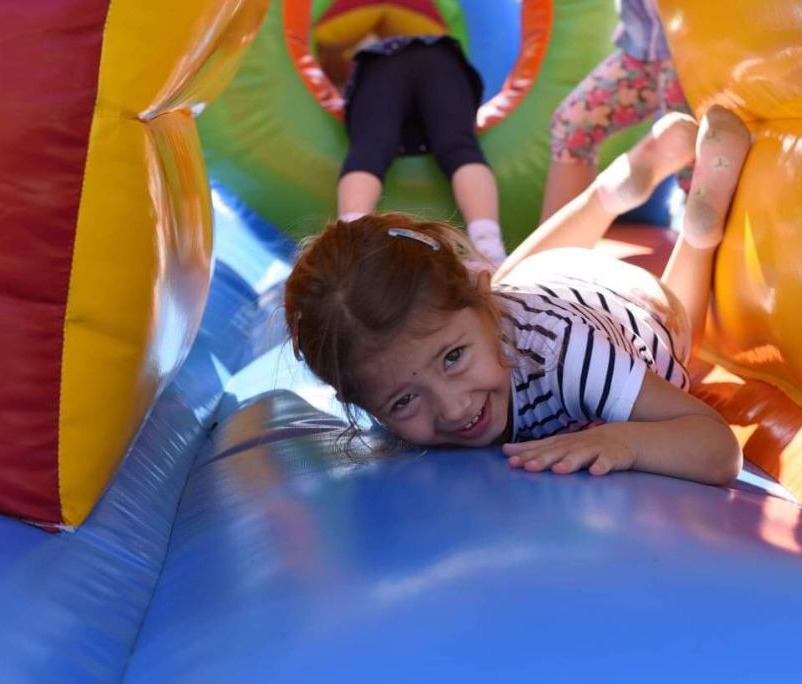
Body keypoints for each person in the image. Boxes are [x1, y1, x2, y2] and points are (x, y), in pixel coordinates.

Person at [284, 106, 751, 484]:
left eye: (452, 359)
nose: (452, 408)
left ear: (481, 300)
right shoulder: (435, 333)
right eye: (403, 402)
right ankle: (610, 192)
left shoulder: (567, 356)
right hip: (539, 281)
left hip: (633, 304)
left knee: (680, 332)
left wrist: (623, 441)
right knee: (516, 277)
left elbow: (718, 447)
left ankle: (696, 231)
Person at [328, 34, 508, 264]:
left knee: (370, 147)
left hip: (381, 62)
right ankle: (488, 243)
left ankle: (353, 241)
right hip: (441, 56)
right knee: (460, 147)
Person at [540, 0, 693, 223]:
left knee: (688, 145)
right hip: (644, 49)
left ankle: (712, 246)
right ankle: (553, 249)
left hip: (695, 51)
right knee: (574, 124)